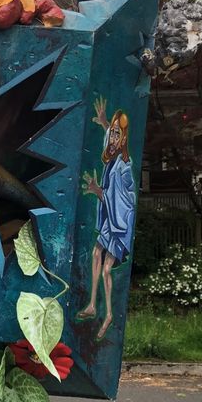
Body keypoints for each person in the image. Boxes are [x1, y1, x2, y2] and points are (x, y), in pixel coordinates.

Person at [77, 97, 136, 340]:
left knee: (107, 271)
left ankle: (109, 314)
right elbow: (109, 142)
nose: (112, 138)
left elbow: (119, 200)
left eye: (116, 134)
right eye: (111, 133)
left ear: (123, 139)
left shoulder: (123, 166)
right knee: (95, 254)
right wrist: (104, 122)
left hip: (119, 224)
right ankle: (92, 304)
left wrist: (96, 190)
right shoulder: (112, 158)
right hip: (112, 221)